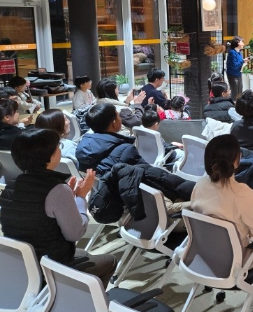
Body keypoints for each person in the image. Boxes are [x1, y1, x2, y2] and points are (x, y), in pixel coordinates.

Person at [0, 129, 116, 287]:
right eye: (57, 146)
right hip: (49, 267)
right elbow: (75, 233)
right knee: (110, 261)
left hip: (21, 263)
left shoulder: (12, 185)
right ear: (48, 156)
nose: (59, 149)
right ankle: (85, 300)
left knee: (84, 253)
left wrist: (67, 198)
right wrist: (81, 197)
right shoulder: (57, 190)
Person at [190, 134, 253, 290]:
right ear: (236, 161)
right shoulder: (240, 192)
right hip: (234, 263)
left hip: (203, 255)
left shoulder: (200, 184)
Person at [76, 103, 148, 174]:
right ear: (114, 123)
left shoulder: (82, 147)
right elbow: (148, 174)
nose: (121, 119)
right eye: (119, 116)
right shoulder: (126, 150)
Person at [226, 36, 247, 100]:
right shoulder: (232, 52)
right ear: (237, 43)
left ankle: (239, 104)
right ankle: (233, 104)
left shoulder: (239, 52)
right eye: (241, 42)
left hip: (238, 74)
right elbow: (234, 65)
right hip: (233, 75)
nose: (243, 44)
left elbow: (239, 63)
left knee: (240, 91)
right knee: (234, 92)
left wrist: (243, 62)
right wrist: (243, 61)